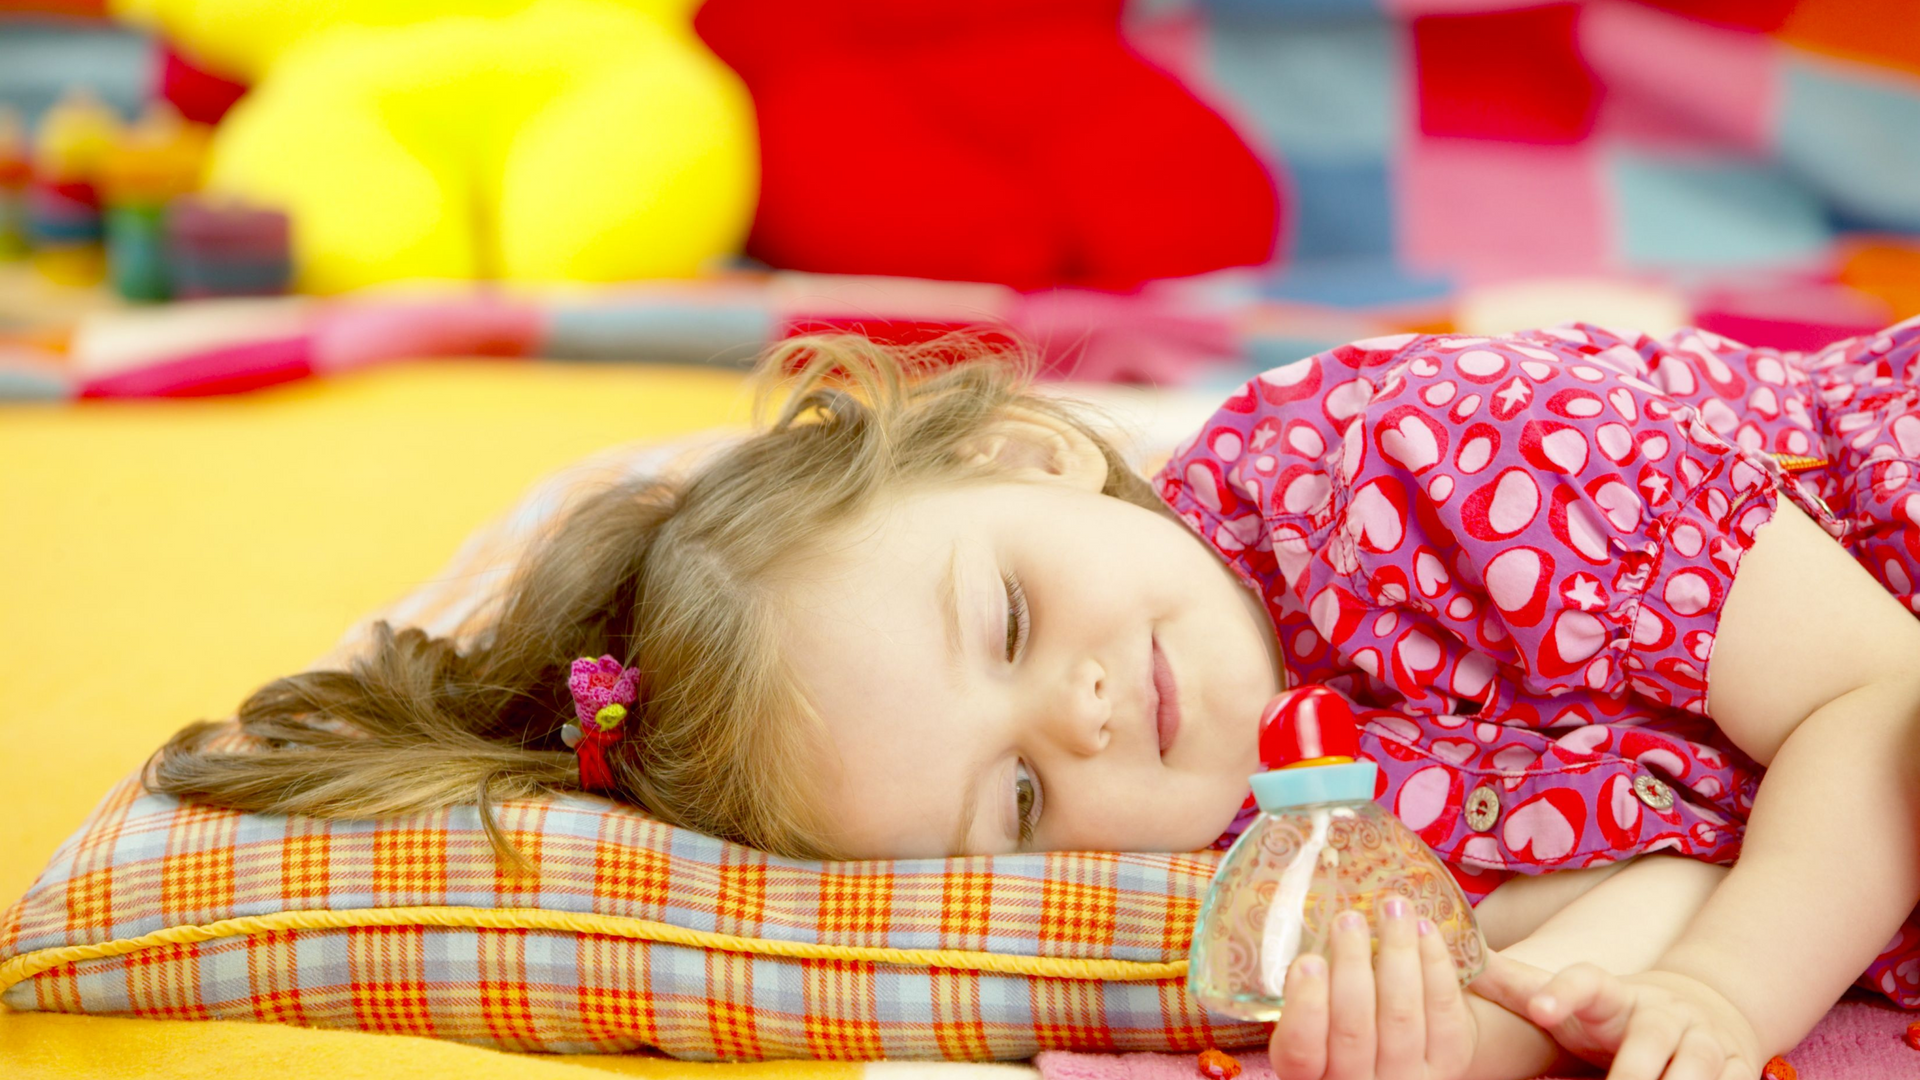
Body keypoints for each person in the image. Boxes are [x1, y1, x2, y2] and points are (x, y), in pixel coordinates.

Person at [149, 321, 1920, 1080]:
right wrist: (1525, 1021)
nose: (1073, 721)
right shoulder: (1258, 852)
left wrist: (1716, 991)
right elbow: (1704, 855)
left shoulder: (1413, 466)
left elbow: (1872, 710)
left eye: (1004, 614)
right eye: (1010, 803)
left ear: (1027, 455)